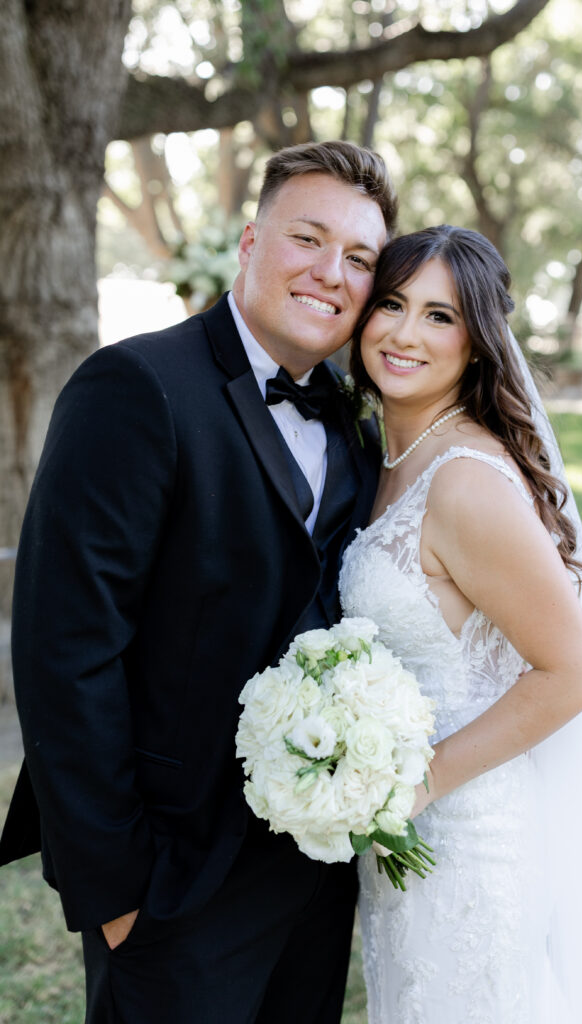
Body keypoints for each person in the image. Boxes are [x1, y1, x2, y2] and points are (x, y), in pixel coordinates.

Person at [0, 140, 396, 1024]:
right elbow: (65, 651)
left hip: (311, 871)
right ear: (250, 242)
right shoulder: (136, 385)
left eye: (360, 258)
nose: (331, 273)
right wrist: (118, 897)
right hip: (169, 880)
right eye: (308, 238)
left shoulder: (355, 419)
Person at [340, 225, 582, 1023]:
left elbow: (572, 672)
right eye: (390, 304)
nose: (401, 333)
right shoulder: (389, 456)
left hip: (471, 839)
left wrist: (415, 784)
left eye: (438, 316)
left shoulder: (464, 481)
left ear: (478, 341)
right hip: (409, 839)